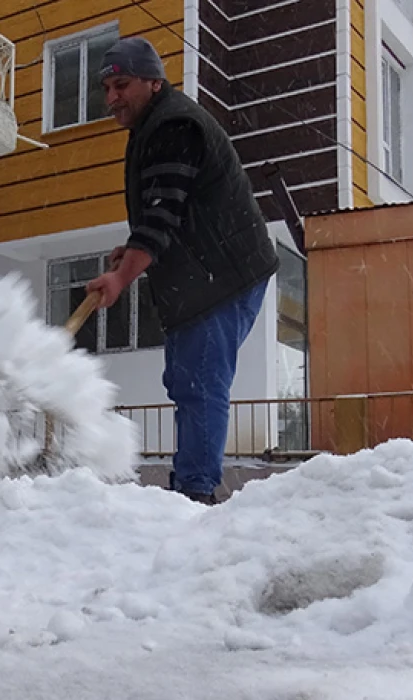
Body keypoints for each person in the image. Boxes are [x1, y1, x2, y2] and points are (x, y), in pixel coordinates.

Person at [85, 37, 279, 505]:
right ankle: (192, 485)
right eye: (107, 87)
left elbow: (160, 216)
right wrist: (132, 249)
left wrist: (122, 276)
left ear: (154, 81)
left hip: (221, 277)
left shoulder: (173, 125)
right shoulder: (157, 124)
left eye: (122, 84)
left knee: (199, 382)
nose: (112, 97)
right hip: (206, 273)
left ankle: (196, 493)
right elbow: (169, 210)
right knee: (186, 379)